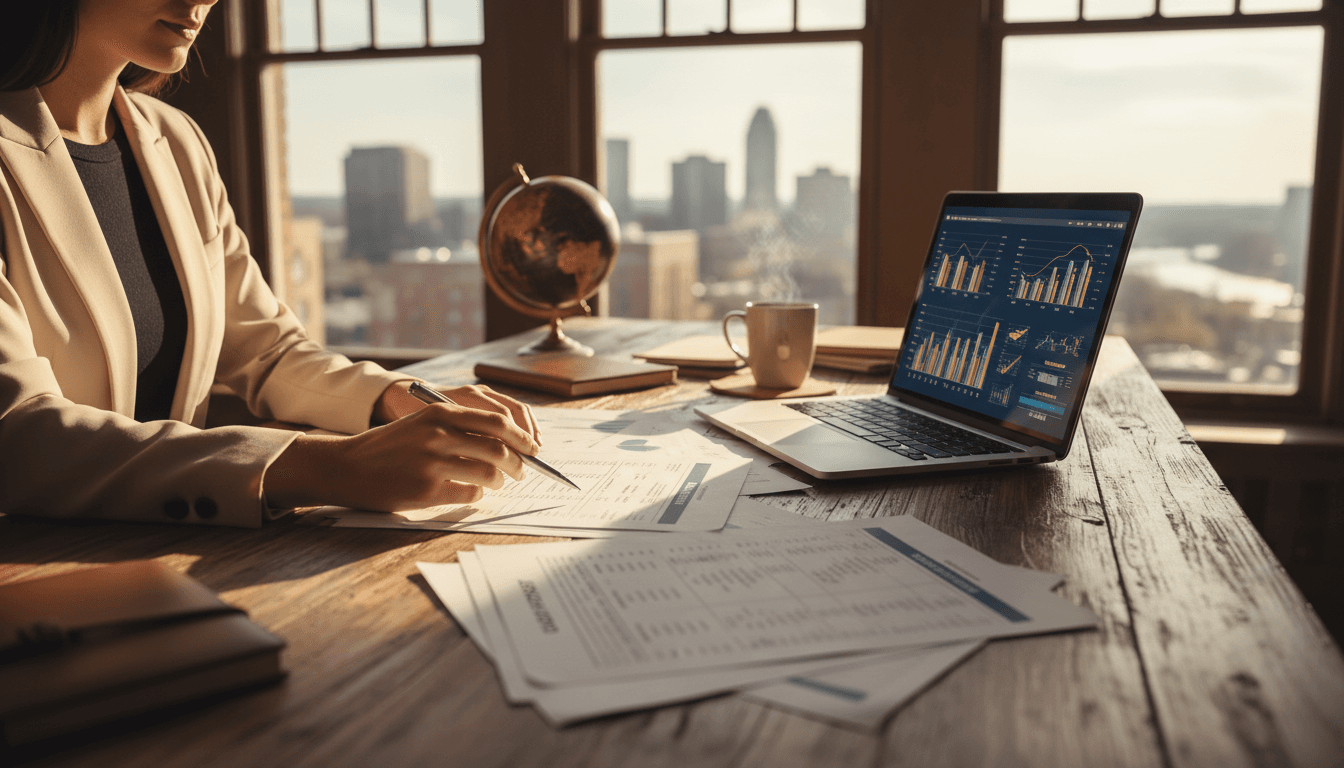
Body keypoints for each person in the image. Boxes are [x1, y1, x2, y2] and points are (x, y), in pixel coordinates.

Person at [0, 0, 542, 526]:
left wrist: (394, 399)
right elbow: (17, 433)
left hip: (175, 552)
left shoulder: (175, 139)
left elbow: (266, 349)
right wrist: (326, 467)